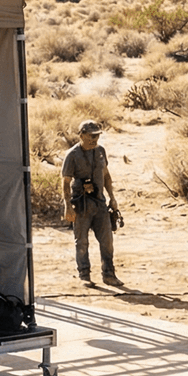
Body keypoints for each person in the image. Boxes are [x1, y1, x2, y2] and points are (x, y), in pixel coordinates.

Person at [62, 120, 121, 285]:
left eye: (97, 136)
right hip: (81, 205)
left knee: (107, 241)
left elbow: (106, 176)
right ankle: (84, 275)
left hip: (100, 203)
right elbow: (65, 182)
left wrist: (112, 198)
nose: (94, 139)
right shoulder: (72, 155)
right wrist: (68, 206)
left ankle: (109, 274)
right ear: (81, 135)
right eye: (91, 136)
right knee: (81, 242)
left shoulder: (101, 151)